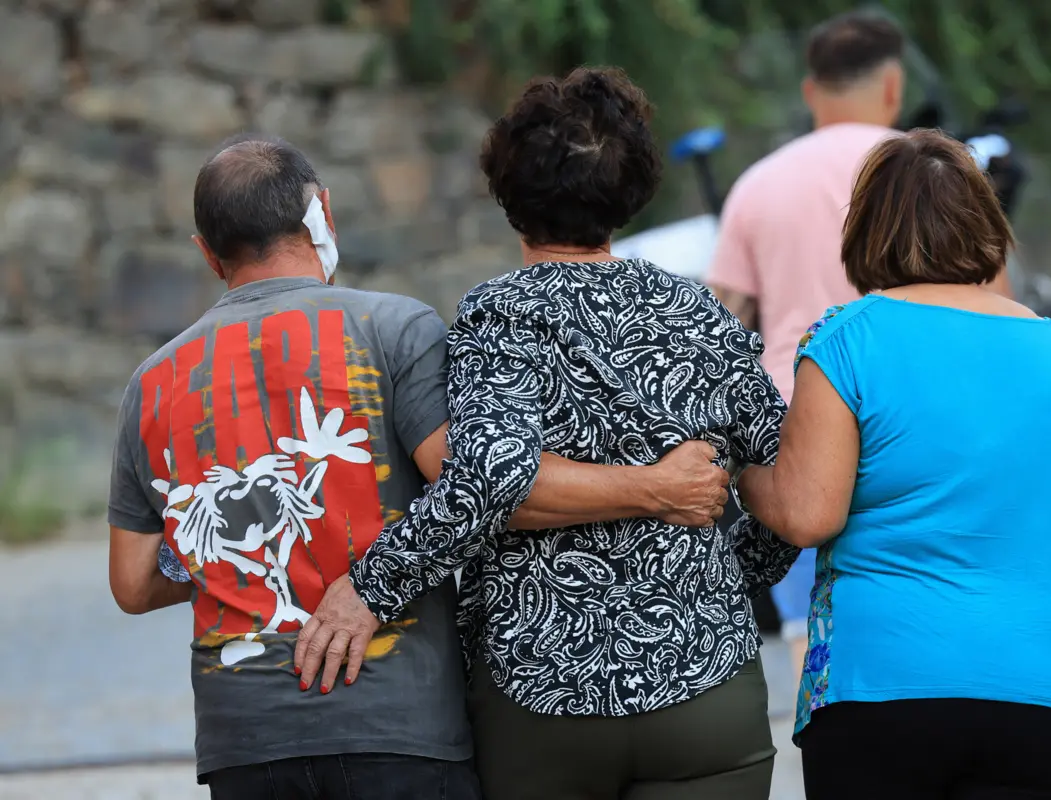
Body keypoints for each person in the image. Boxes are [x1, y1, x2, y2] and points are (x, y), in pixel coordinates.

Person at [107, 134, 732, 799]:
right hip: (400, 723)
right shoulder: (394, 329)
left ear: (207, 253)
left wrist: (236, 540)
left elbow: (134, 582)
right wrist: (654, 488)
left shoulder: (151, 384)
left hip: (245, 740)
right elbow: (481, 490)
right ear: (323, 213)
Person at [295, 68, 799, 800]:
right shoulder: (697, 314)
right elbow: (789, 486)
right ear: (631, 190)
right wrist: (725, 577)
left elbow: (489, 476)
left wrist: (373, 586)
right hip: (706, 688)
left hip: (542, 696)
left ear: (510, 194)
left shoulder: (501, 316)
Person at [733, 129, 1051, 800]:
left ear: (867, 230)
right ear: (985, 227)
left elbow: (808, 513)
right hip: (1044, 694)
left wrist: (737, 471)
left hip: (880, 691)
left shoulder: (847, 338)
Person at [707, 10, 906, 687]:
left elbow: (724, 320)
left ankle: (813, 695)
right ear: (892, 86)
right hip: (910, 406)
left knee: (807, 609)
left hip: (792, 413)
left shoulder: (759, 183)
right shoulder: (934, 171)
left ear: (810, 89)